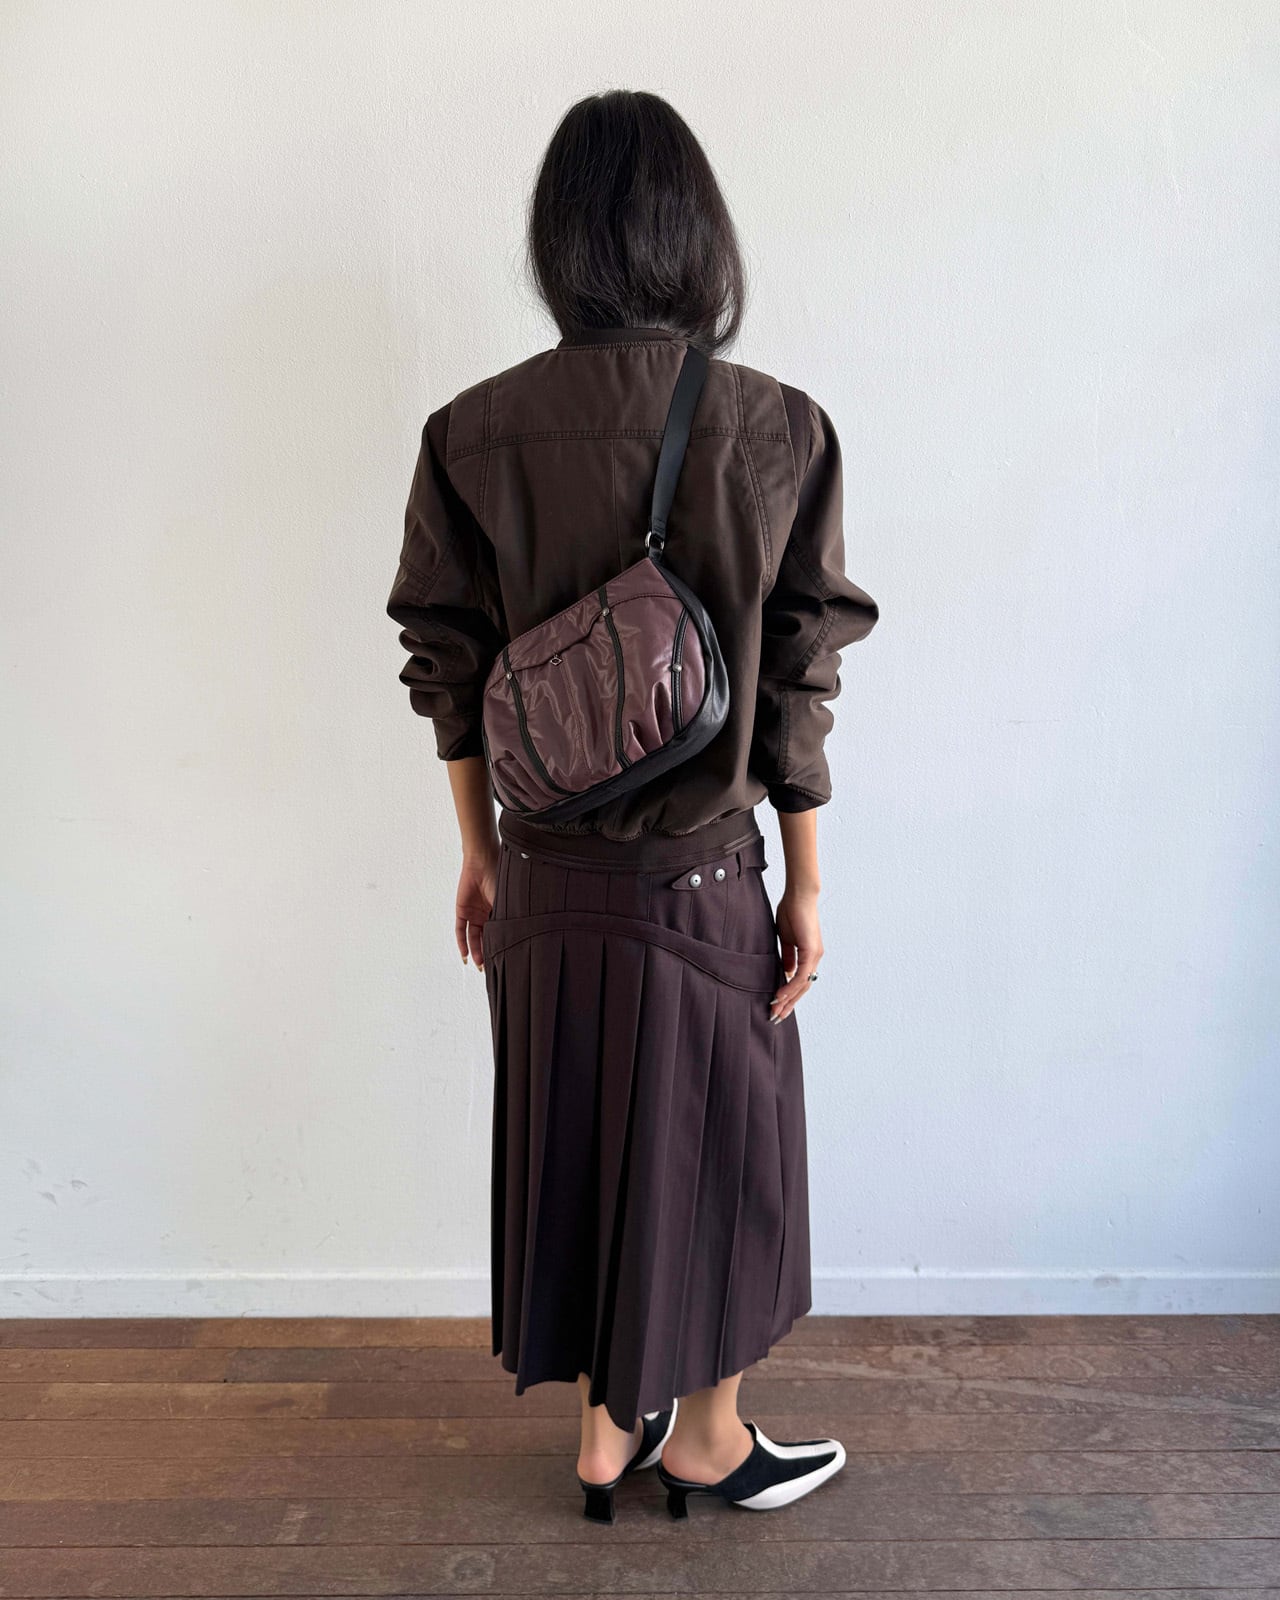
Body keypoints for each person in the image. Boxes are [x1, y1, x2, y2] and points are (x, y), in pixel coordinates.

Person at [386, 90, 879, 1523]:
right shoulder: (775, 426)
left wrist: (479, 854)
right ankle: (706, 1439)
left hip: (541, 876)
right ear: (696, 236)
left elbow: (447, 663)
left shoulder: (470, 431)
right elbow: (797, 682)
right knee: (720, 1157)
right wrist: (806, 884)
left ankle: (607, 1430)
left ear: (558, 243)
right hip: (703, 877)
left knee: (585, 1136)